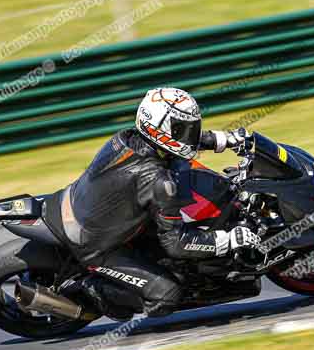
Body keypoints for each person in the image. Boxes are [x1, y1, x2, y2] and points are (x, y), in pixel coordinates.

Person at [53, 87, 260, 317]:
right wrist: (228, 239)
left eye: (190, 128)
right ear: (160, 127)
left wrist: (225, 139)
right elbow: (176, 243)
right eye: (183, 128)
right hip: (96, 246)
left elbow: (179, 141)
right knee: (166, 295)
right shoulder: (158, 181)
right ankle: (88, 289)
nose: (188, 134)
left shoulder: (128, 137)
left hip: (86, 207)